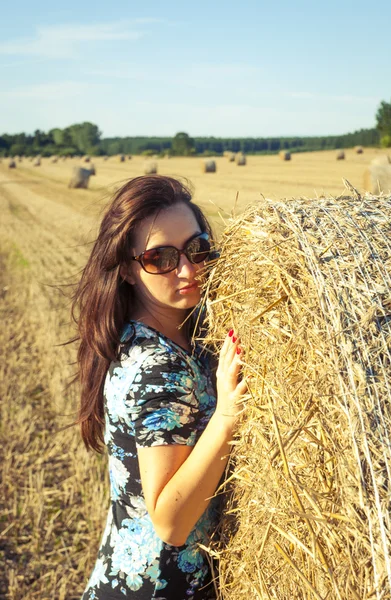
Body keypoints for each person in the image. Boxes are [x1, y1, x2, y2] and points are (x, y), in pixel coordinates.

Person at [73, 175, 247, 600]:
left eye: (197, 247)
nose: (188, 269)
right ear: (129, 271)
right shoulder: (159, 368)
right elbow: (170, 522)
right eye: (160, 258)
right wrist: (226, 416)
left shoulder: (167, 333)